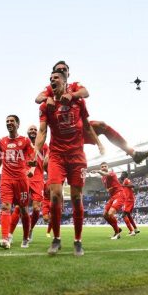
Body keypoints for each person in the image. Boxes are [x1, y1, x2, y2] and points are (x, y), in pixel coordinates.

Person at [33, 70, 101, 256]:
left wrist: (99, 142)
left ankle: (78, 241)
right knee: (55, 195)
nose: (53, 80)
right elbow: (42, 131)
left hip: (77, 156)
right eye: (51, 79)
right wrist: (35, 153)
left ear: (65, 82)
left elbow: (87, 124)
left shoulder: (78, 101)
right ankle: (56, 239)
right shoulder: (46, 105)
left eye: (57, 78)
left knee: (77, 197)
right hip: (57, 156)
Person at [35, 60, 148, 164]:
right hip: (59, 139)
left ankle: (133, 154)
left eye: (64, 69)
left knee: (101, 125)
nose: (61, 71)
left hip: (77, 130)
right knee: (46, 164)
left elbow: (85, 92)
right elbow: (38, 98)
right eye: (58, 70)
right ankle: (54, 185)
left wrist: (72, 95)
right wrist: (47, 98)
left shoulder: (74, 85)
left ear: (68, 73)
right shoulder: (50, 89)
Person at [0, 115, 32, 249]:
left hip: (21, 180)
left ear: (18, 124)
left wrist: (31, 169)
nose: (9, 123)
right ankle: (5, 239)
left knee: (23, 210)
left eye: (12, 121)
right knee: (5, 207)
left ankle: (25, 237)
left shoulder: (25, 141)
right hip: (6, 179)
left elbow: (31, 158)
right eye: (7, 121)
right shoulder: (2, 141)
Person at [9, 125, 49, 244]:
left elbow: (48, 162)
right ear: (27, 132)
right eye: (30, 129)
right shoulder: (23, 144)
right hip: (24, 178)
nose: (33, 131)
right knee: (18, 207)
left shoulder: (45, 146)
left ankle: (30, 229)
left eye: (35, 130)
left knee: (37, 208)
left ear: (38, 133)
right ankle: (9, 234)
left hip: (38, 180)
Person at [91, 162, 125, 240]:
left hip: (119, 194)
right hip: (112, 197)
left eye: (105, 166)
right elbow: (107, 183)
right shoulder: (103, 178)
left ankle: (117, 233)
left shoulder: (111, 173)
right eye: (102, 167)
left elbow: (106, 174)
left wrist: (97, 171)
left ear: (107, 167)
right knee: (105, 215)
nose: (103, 167)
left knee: (110, 213)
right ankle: (117, 229)